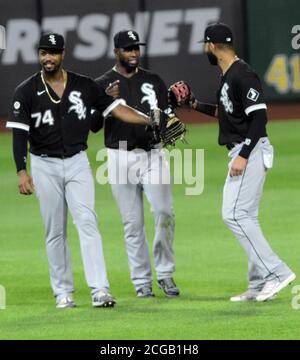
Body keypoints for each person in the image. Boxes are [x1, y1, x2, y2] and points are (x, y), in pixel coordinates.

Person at [7, 33, 154, 308]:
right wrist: (21, 171)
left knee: (87, 222)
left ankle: (100, 289)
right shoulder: (25, 91)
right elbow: (19, 136)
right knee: (55, 231)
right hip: (44, 164)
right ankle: (63, 291)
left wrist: (150, 121)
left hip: (77, 162)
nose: (47, 58)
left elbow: (117, 110)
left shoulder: (84, 85)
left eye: (52, 52)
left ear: (63, 54)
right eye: (43, 53)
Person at [172, 23, 295, 302]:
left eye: (205, 45)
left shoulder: (242, 74)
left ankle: (277, 272)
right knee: (245, 216)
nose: (205, 50)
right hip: (243, 149)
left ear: (212, 46)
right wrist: (193, 105)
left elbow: (260, 117)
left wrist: (243, 155)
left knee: (235, 214)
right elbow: (228, 114)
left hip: (249, 150)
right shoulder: (228, 75)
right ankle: (258, 284)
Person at [91, 30, 180, 298]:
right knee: (132, 224)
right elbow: (94, 126)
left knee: (164, 212)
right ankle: (142, 281)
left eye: (136, 48)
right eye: (128, 49)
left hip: (153, 154)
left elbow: (169, 119)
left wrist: (172, 119)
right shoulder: (103, 83)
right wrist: (103, 100)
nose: (133, 53)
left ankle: (165, 273)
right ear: (116, 51)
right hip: (119, 156)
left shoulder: (153, 80)